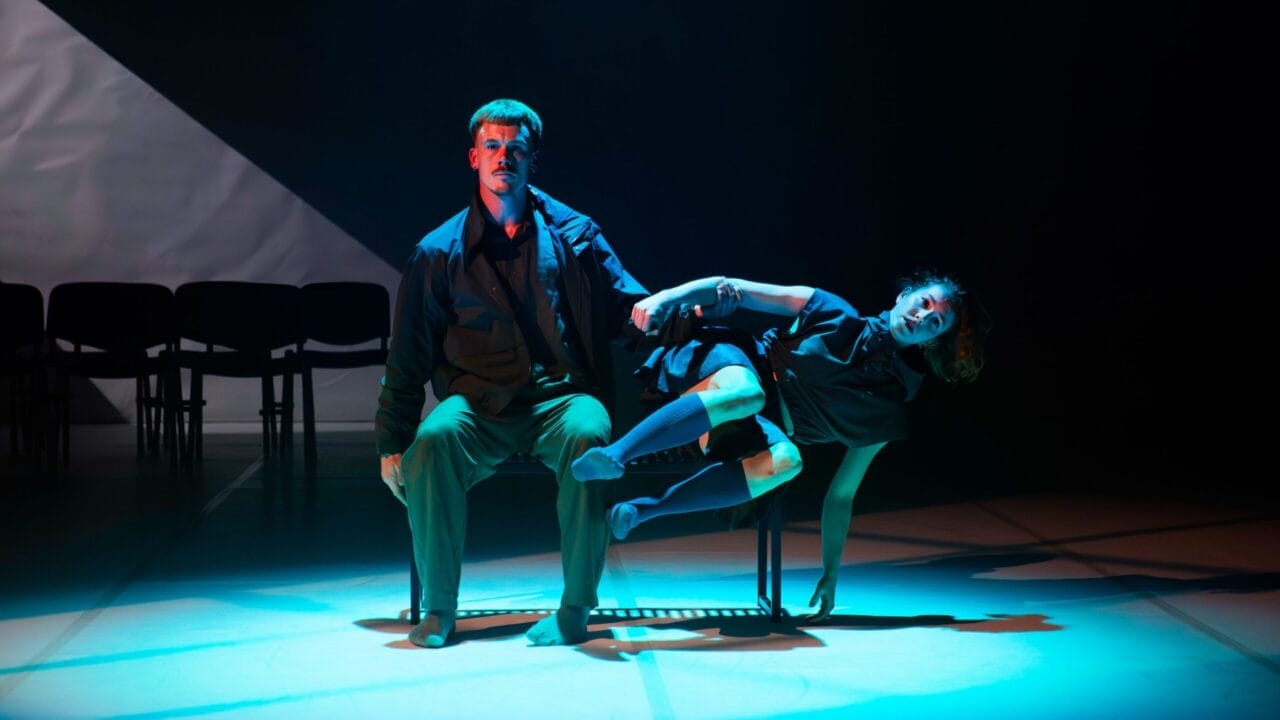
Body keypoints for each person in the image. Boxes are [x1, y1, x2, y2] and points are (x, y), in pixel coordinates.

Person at [376, 99, 648, 648]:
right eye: (494, 147)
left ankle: (575, 608)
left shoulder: (576, 234)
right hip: (479, 404)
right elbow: (407, 353)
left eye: (516, 148)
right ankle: (438, 609)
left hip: (562, 397)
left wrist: (674, 321)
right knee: (431, 442)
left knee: (589, 438)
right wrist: (390, 442)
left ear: (531, 160)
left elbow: (629, 311)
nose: (504, 157)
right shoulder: (438, 252)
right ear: (474, 157)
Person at [571, 270, 987, 620]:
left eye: (935, 322)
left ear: (932, 341)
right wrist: (666, 297)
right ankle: (615, 456)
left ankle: (640, 512)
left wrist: (831, 574)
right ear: (904, 296)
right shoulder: (831, 310)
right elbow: (729, 284)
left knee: (789, 460)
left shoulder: (885, 408)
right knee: (748, 392)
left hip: (751, 428)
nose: (922, 316)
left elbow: (841, 495)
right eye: (924, 302)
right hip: (731, 366)